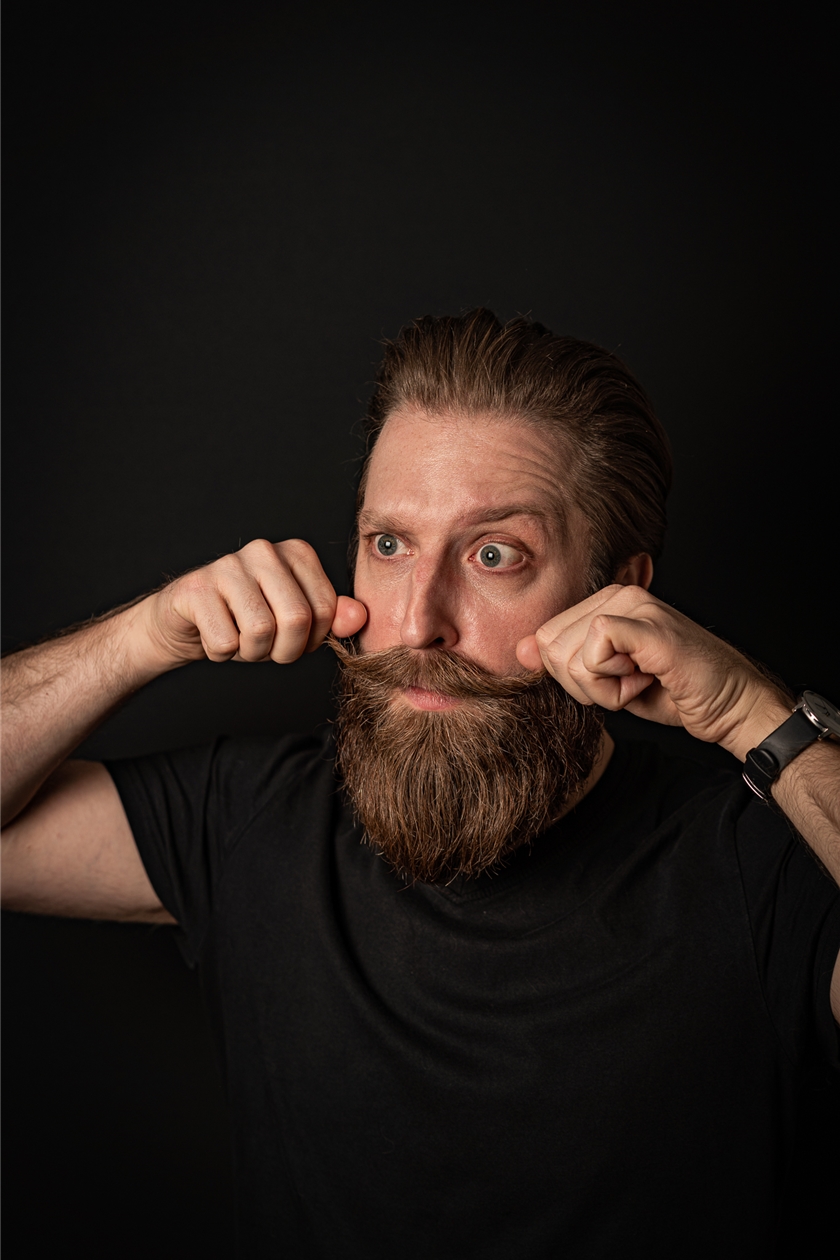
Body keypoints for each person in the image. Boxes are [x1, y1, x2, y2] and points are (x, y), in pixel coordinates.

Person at [2, 310, 838, 1258]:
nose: (416, 625)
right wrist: (142, 638)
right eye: (390, 546)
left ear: (622, 590)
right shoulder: (255, 820)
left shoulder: (758, 867)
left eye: (494, 555)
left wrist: (754, 716)